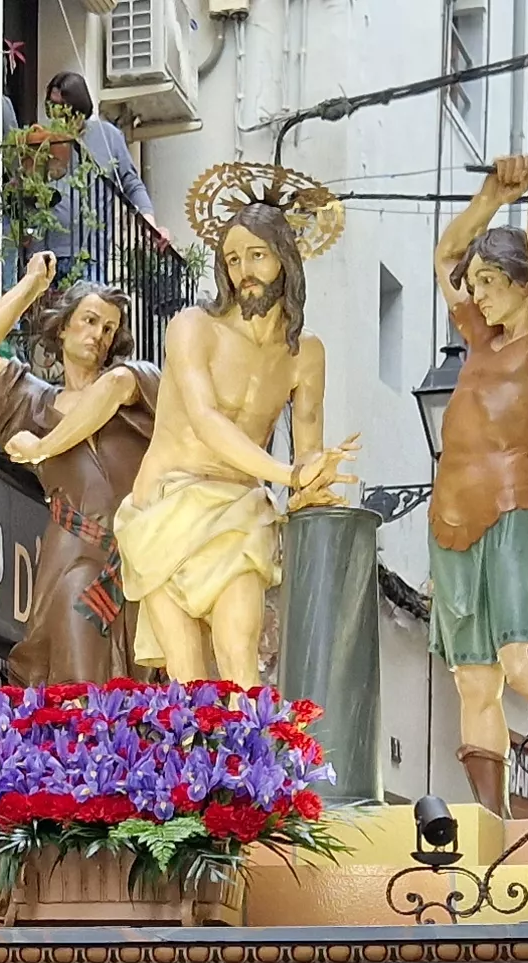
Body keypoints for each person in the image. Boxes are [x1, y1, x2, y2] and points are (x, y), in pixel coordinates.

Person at [114, 178, 353, 685]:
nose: (244, 271)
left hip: (239, 511)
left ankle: (256, 743)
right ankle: (198, 743)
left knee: (240, 656)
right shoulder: (193, 327)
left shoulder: (305, 354)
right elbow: (206, 419)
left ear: (285, 260)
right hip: (165, 506)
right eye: (233, 259)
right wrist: (289, 475)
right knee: (187, 673)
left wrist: (315, 480)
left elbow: (307, 450)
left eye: (257, 256)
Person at [423, 156, 528, 816]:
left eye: (490, 283)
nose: (479, 296)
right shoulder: (481, 341)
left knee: (524, 664)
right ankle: (491, 823)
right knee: (473, 680)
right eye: (477, 287)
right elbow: (446, 256)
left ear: (524, 284)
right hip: (450, 521)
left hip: (513, 507)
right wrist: (492, 194)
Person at [0, 252, 158, 685]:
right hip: (73, 551)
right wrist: (31, 285)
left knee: (142, 680)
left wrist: (42, 447)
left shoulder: (137, 384)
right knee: (75, 663)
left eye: (109, 328)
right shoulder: (35, 403)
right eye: (89, 320)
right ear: (64, 327)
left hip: (138, 556)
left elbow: (114, 388)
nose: (99, 334)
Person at [39, 72, 170, 259]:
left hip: (90, 254)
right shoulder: (43, 140)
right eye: (52, 107)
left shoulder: (108, 136)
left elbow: (131, 183)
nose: (58, 115)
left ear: (78, 108)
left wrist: (150, 222)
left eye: (63, 108)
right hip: (45, 252)